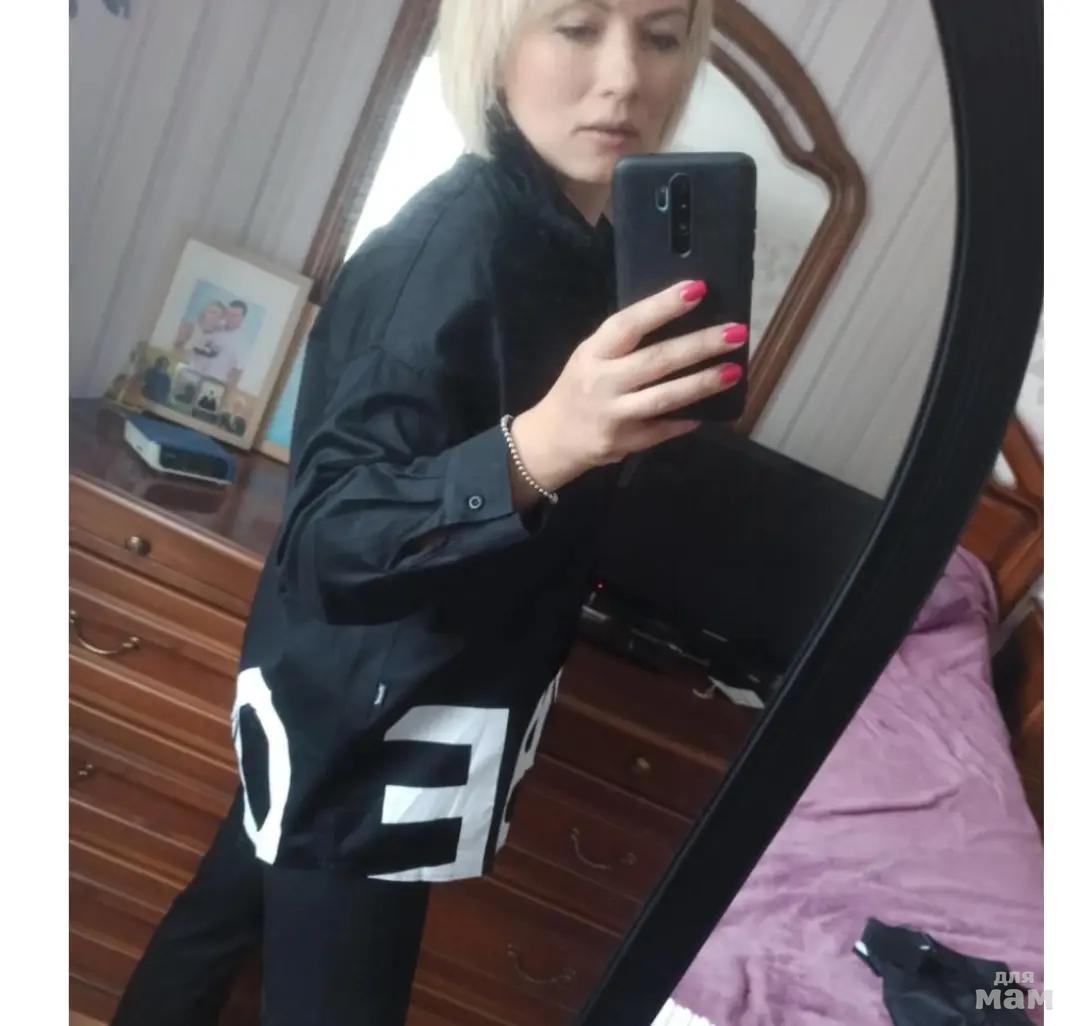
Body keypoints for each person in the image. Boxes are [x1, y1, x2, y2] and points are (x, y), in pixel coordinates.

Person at [110, 0, 745, 1022]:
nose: (626, 76)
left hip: (389, 694)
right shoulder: (449, 247)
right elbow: (329, 540)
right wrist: (542, 446)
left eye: (662, 36)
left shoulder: (593, 249)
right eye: (577, 26)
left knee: (221, 916)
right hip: (374, 721)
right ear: (496, 43)